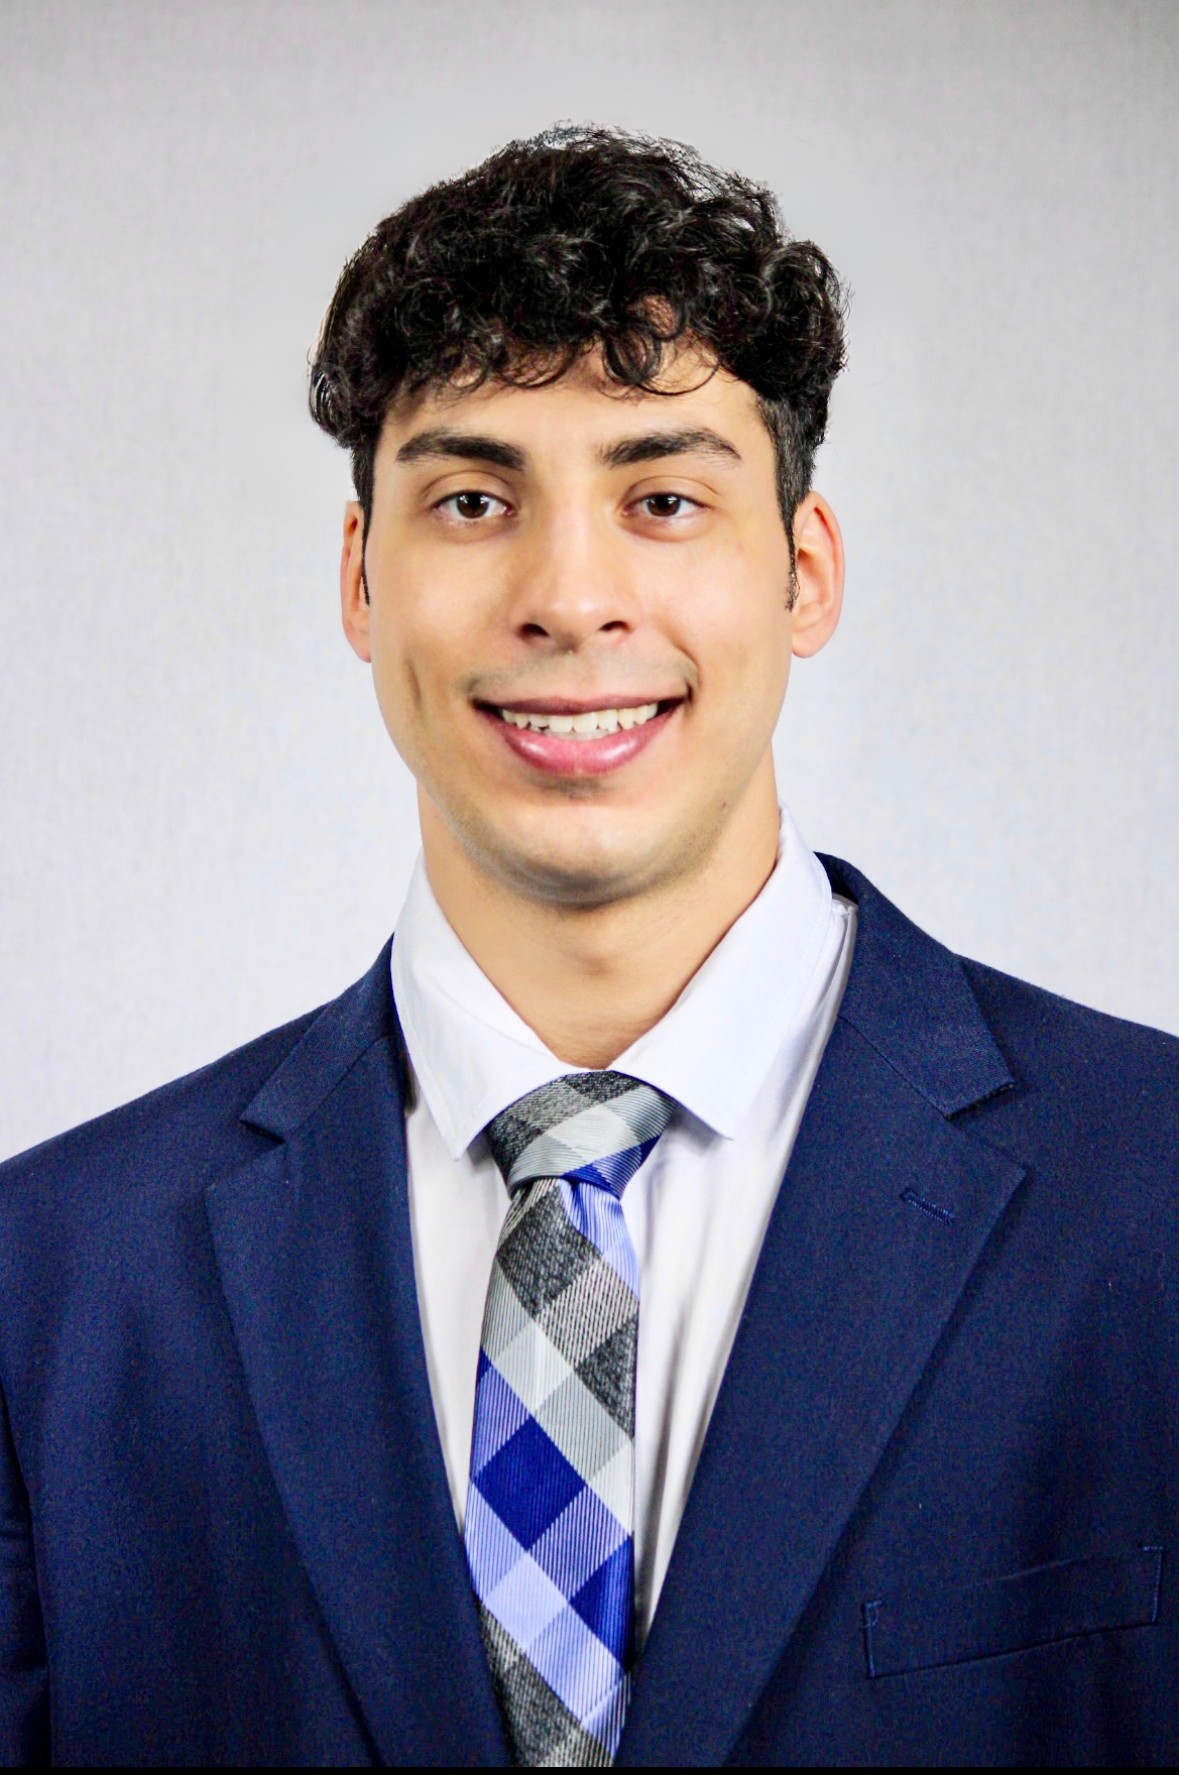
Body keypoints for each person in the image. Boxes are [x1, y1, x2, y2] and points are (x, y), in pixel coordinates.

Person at [1, 124, 1176, 1769]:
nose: (568, 594)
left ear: (803, 572)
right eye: (474, 498)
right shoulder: (48, 1285)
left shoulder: (1157, 1192)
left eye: (666, 496)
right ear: (359, 579)